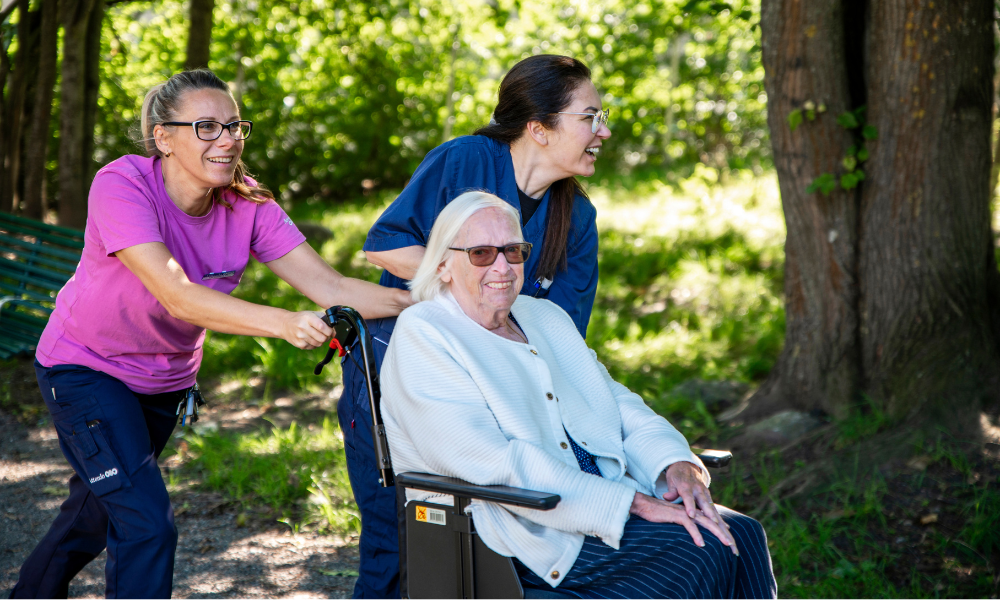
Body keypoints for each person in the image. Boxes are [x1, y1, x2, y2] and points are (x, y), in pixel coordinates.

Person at [9, 69, 412, 599]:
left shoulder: (248, 203)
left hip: (164, 383)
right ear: (164, 138)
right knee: (147, 523)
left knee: (92, 515)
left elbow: (332, 284)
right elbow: (175, 294)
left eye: (234, 126)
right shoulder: (122, 184)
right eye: (206, 127)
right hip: (85, 368)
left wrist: (434, 301)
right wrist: (283, 324)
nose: (227, 139)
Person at [380, 191, 777, 599]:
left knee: (744, 535)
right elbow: (496, 463)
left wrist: (673, 461)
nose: (502, 266)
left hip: (602, 497)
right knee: (700, 548)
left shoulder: (543, 316)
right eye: (481, 253)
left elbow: (616, 402)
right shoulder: (425, 333)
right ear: (443, 265)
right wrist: (632, 504)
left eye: (514, 251)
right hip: (521, 529)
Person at [340, 54, 611, 598]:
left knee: (477, 547)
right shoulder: (465, 159)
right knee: (398, 540)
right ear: (539, 128)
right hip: (403, 368)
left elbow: (561, 341)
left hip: (496, 394)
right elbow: (385, 244)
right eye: (591, 117)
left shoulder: (576, 219)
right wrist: (468, 291)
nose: (603, 130)